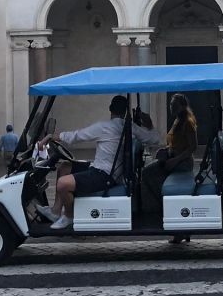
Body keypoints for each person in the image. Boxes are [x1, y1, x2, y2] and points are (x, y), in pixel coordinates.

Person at [37, 95, 160, 230]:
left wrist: (49, 136)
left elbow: (75, 136)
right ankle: (55, 211)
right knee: (64, 167)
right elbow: (154, 138)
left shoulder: (104, 127)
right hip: (106, 170)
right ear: (125, 112)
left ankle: (69, 215)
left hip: (104, 175)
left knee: (62, 184)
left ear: (110, 109)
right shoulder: (130, 127)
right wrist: (149, 124)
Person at [140, 93, 198, 214]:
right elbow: (175, 143)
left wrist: (174, 160)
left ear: (182, 106)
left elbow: (192, 147)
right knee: (149, 171)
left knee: (147, 173)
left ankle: (159, 205)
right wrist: (165, 150)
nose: (171, 106)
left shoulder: (187, 122)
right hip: (174, 159)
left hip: (182, 162)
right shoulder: (178, 120)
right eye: (171, 104)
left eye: (174, 104)